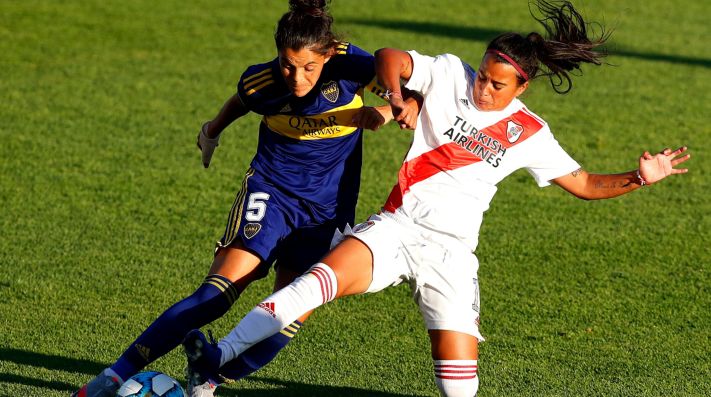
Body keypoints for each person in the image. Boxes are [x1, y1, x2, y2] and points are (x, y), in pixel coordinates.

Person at [181, 1, 691, 396]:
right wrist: (399, 95)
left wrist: (639, 177)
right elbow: (389, 58)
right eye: (483, 74)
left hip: (451, 255)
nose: (483, 88)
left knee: (458, 384)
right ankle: (215, 358)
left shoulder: (531, 133)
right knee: (316, 283)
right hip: (396, 228)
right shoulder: (449, 72)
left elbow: (583, 184)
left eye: (497, 83)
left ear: (522, 87)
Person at [71, 1, 420, 396]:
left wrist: (387, 111)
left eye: (309, 67)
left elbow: (415, 96)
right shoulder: (263, 83)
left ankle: (209, 380)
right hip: (272, 191)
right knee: (217, 293)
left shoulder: (349, 65)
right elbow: (242, 103)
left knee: (289, 309)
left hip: (327, 211)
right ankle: (113, 376)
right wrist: (211, 132)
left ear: (325, 55)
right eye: (288, 65)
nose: (297, 78)